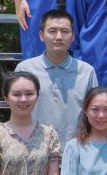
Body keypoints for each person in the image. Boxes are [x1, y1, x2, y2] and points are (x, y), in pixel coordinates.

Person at [17, 9, 100, 147]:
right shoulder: (25, 69)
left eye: (65, 31)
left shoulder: (86, 72)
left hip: (76, 151)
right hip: (34, 151)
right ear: (41, 35)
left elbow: (95, 114)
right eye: (52, 31)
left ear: (73, 36)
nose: (59, 37)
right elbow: (17, 113)